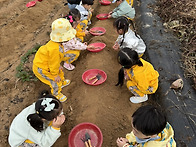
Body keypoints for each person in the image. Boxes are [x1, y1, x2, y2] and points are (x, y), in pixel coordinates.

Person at [33, 18, 76, 102]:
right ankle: (56, 94)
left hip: (48, 64)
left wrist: (58, 67)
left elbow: (53, 60)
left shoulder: (57, 44)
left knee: (59, 71)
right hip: (42, 68)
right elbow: (53, 63)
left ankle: (62, 82)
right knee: (54, 82)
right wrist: (55, 75)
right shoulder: (54, 49)